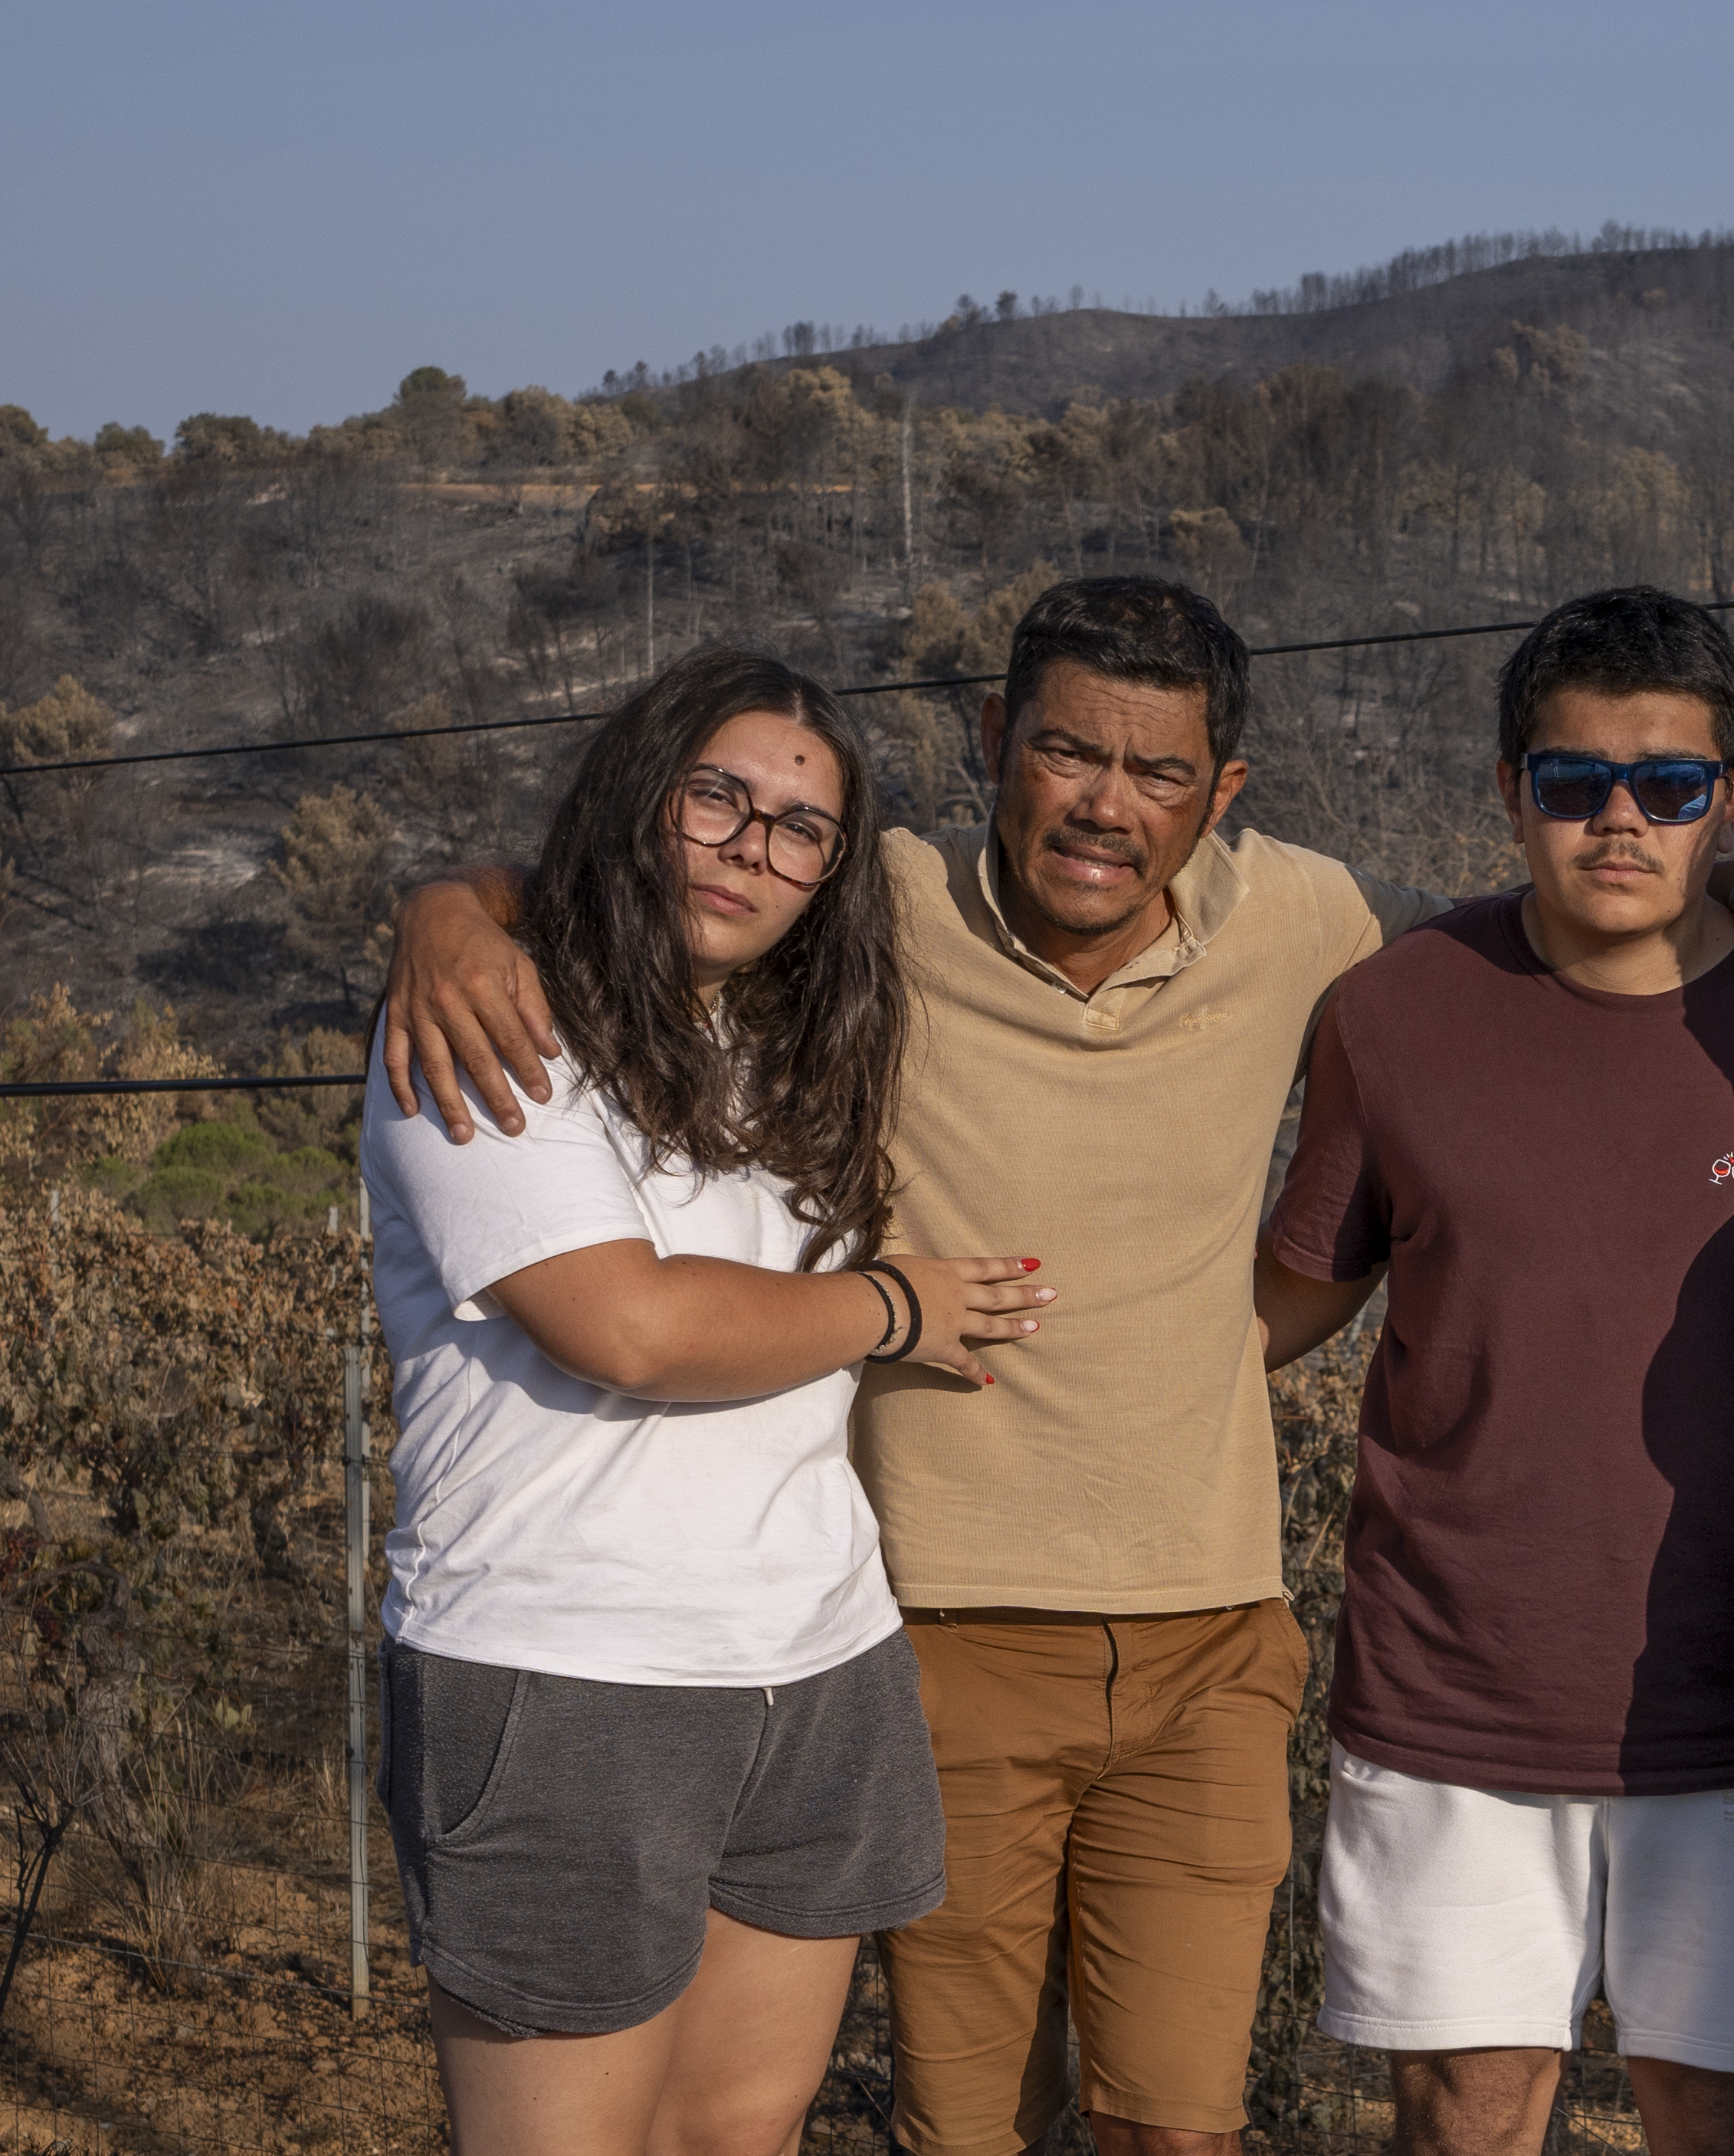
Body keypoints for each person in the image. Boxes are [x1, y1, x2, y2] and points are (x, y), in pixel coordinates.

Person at [375, 578, 1734, 2156]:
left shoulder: (1318, 931)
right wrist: (455, 910)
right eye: (1066, 754)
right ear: (992, 746)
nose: (1107, 805)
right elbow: (645, 875)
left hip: (1206, 1645)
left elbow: (1585, 924)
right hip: (924, 1628)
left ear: (1221, 795)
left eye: (1161, 772)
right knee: (959, 2126)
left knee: (1176, 2124)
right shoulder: (866, 893)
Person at [361, 646, 1060, 2156]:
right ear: (640, 796)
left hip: (815, 1657)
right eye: (718, 798)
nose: (754, 845)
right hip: (564, 1669)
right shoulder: (490, 1021)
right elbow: (625, 1325)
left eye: (798, 826)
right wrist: (896, 1307)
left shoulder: (788, 1038)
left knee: (741, 2132)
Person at [1257, 589, 1734, 2156]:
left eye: (1670, 786)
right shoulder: (1393, 1012)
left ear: (1732, 797)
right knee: (1464, 2118)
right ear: (1506, 789)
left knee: (1724, 2120)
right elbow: (1285, 1304)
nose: (1619, 819)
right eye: (1571, 782)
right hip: (1449, 1697)